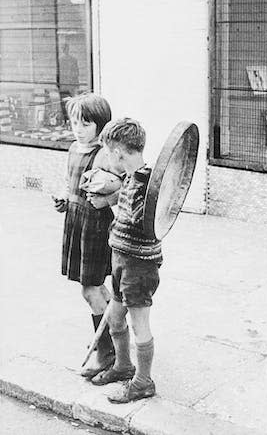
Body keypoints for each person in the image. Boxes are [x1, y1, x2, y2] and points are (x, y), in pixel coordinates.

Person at [89, 118, 162, 404]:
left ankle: (143, 382)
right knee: (116, 318)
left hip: (138, 265)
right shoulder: (132, 177)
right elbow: (123, 201)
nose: (108, 158)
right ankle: (123, 366)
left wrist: (114, 199)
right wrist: (108, 198)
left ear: (118, 152)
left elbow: (146, 221)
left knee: (139, 323)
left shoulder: (150, 183)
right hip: (121, 258)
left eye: (108, 152)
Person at [53, 93, 120, 378]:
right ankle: (113, 341)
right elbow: (73, 185)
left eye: (86, 124)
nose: (78, 129)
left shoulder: (104, 154)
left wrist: (107, 199)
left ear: (101, 125)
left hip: (95, 226)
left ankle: (106, 353)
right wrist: (64, 199)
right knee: (100, 289)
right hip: (76, 222)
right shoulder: (73, 148)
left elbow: (125, 186)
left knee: (89, 289)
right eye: (75, 122)